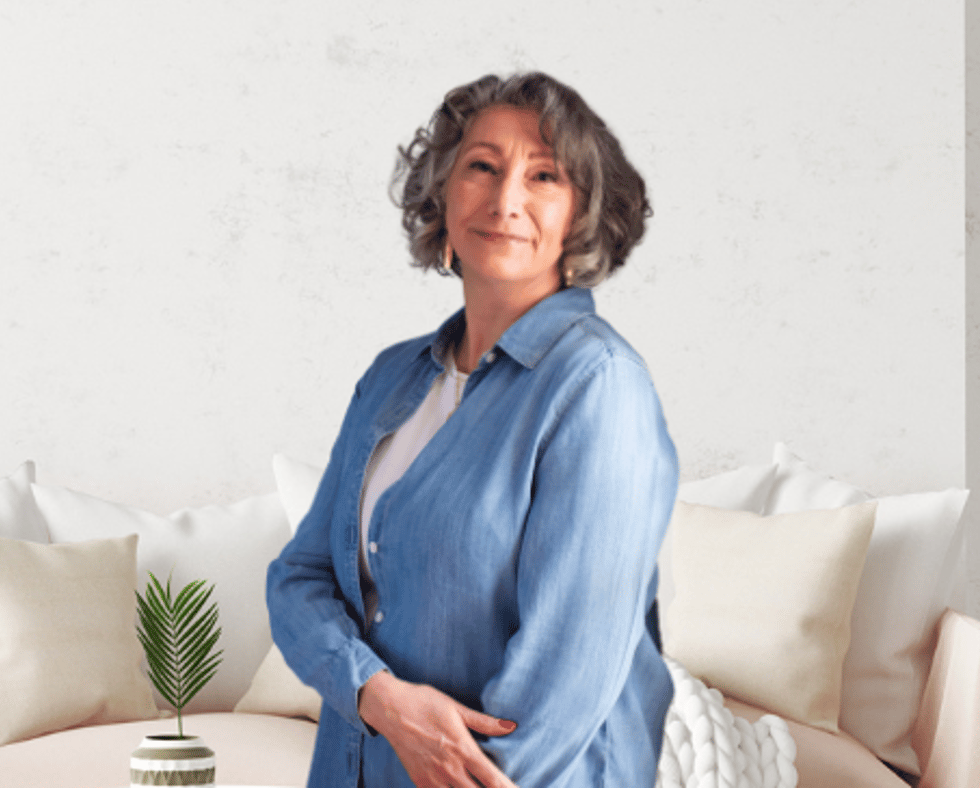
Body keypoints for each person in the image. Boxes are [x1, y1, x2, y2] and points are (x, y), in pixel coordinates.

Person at [266, 71, 677, 788]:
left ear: (583, 211)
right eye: (482, 166)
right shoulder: (393, 377)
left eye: (543, 175)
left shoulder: (599, 388)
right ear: (443, 193)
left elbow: (564, 681)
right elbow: (299, 578)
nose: (506, 199)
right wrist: (379, 698)